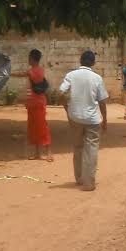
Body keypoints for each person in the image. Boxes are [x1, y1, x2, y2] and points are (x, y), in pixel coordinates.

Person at [59, 51, 108, 191]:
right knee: (91, 149)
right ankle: (89, 183)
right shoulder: (97, 78)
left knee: (78, 147)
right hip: (92, 119)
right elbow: (102, 101)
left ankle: (79, 178)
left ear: (80, 61)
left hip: (75, 117)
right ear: (93, 63)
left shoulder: (71, 75)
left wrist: (66, 108)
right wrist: (105, 120)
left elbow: (61, 92)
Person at [25, 49, 53, 161]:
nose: (28, 59)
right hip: (33, 103)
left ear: (32, 58)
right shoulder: (39, 70)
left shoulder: (34, 72)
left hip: (37, 103)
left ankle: (48, 153)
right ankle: (38, 153)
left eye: (29, 57)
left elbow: (28, 76)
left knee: (41, 127)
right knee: (34, 128)